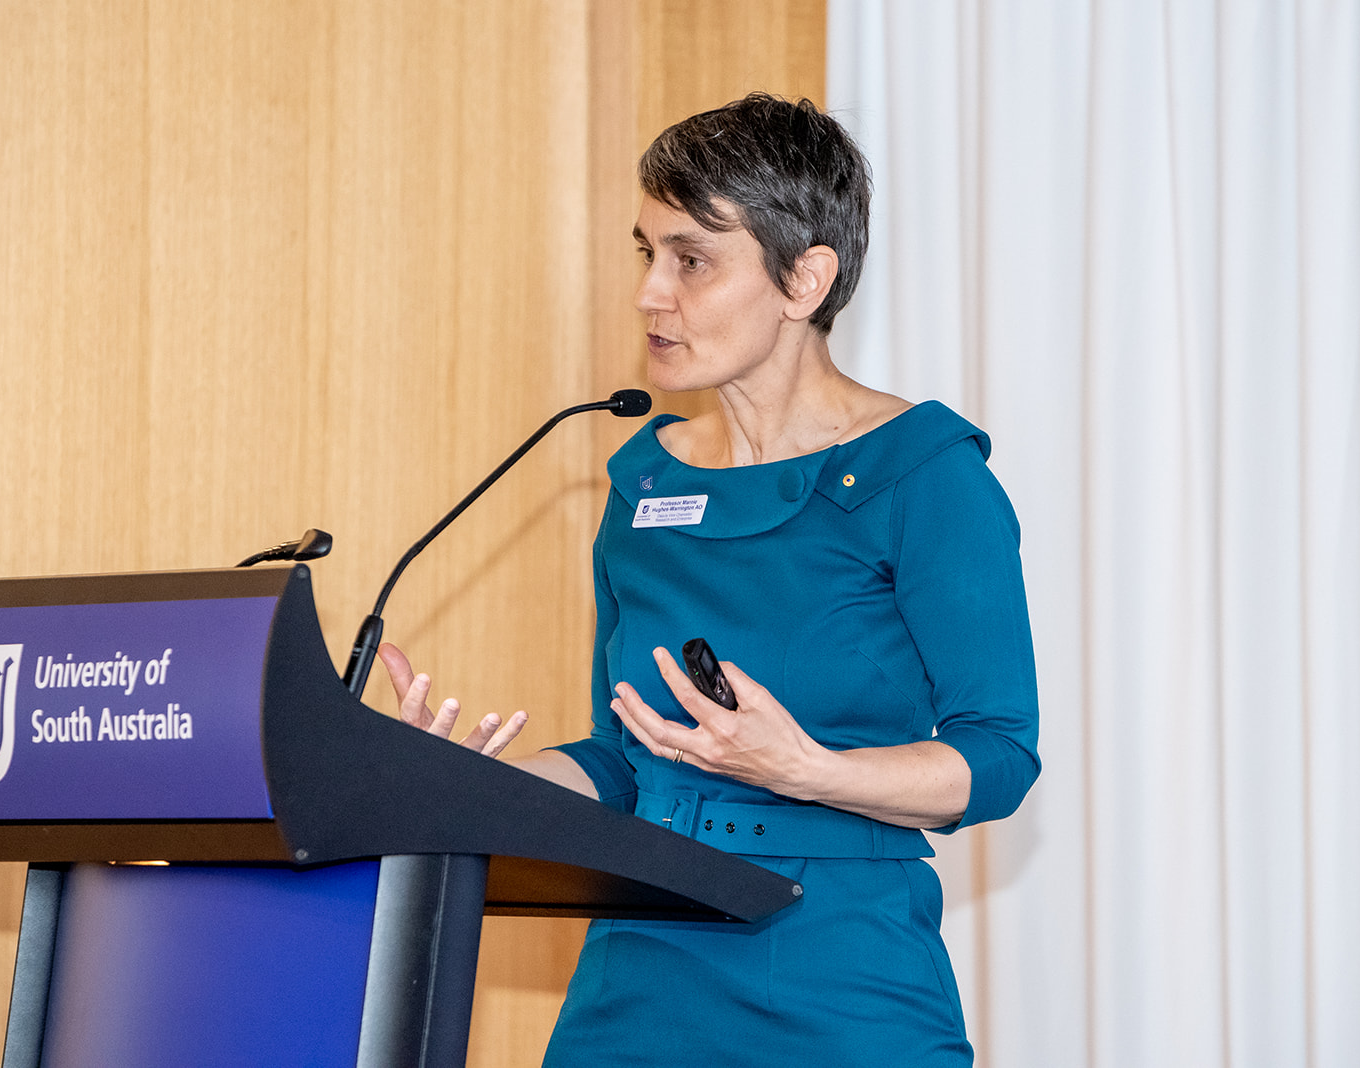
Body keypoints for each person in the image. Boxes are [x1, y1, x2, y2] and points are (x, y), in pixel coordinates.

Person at [378, 92, 1040, 1068]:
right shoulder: (644, 484)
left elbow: (998, 757)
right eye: (646, 253)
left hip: (839, 969)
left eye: (690, 259)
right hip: (640, 966)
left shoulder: (922, 475)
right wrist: (472, 789)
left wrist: (805, 770)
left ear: (804, 278)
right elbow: (623, 758)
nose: (650, 292)